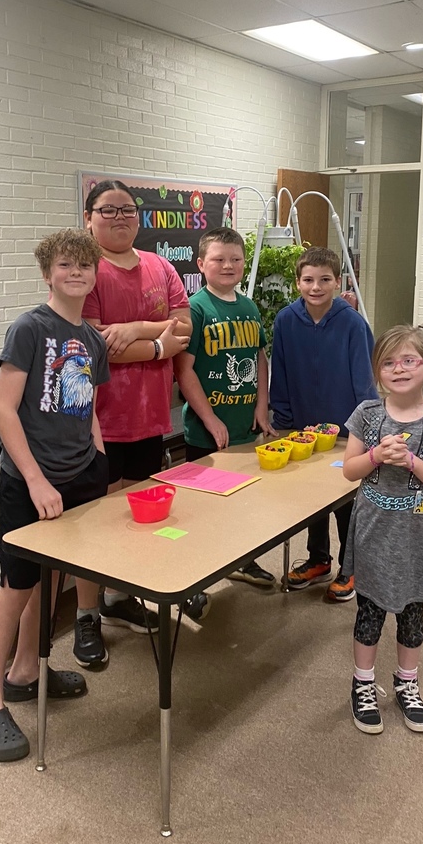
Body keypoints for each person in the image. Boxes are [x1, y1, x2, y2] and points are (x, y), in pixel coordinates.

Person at [0, 229, 110, 763]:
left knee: (52, 580)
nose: (76, 273)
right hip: (31, 481)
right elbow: (5, 410)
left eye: (84, 266)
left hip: (80, 476)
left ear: (94, 274)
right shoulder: (29, 328)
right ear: (48, 272)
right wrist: (34, 479)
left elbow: (89, 409)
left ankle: (28, 668)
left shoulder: (94, 342)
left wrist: (96, 462)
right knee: (16, 585)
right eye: (65, 265)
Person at [342, 325, 423, 735]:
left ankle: (406, 683)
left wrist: (412, 463)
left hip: (415, 539)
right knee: (370, 612)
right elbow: (349, 471)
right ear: (378, 371)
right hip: (373, 533)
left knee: (413, 613)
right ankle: (362, 685)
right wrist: (377, 454)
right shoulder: (367, 414)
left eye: (409, 360)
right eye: (388, 362)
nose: (399, 369)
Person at [83, 179, 192, 636]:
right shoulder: (84, 270)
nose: (119, 217)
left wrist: (134, 327)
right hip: (98, 424)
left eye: (127, 209)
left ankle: (119, 598)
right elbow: (93, 346)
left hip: (149, 418)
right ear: (89, 219)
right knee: (96, 524)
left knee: (137, 516)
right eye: (107, 210)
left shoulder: (159, 266)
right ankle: (85, 617)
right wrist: (155, 346)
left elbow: (184, 328)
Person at [174, 226, 278, 607]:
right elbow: (183, 370)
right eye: (218, 259)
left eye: (235, 258)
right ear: (202, 264)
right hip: (207, 433)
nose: (228, 265)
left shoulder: (249, 307)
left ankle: (242, 559)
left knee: (241, 502)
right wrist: (210, 418)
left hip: (244, 429)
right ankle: (193, 580)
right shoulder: (196, 308)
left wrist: (261, 404)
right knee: (200, 511)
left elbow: (259, 359)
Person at [269, 246, 376, 601]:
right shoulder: (285, 320)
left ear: (337, 281)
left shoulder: (352, 323)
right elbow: (279, 374)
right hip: (302, 429)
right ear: (298, 281)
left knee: (345, 499)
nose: (316, 287)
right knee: (310, 497)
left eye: (324, 280)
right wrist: (283, 421)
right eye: (308, 280)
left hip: (346, 433)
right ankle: (319, 559)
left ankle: (352, 566)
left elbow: (364, 381)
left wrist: (366, 429)